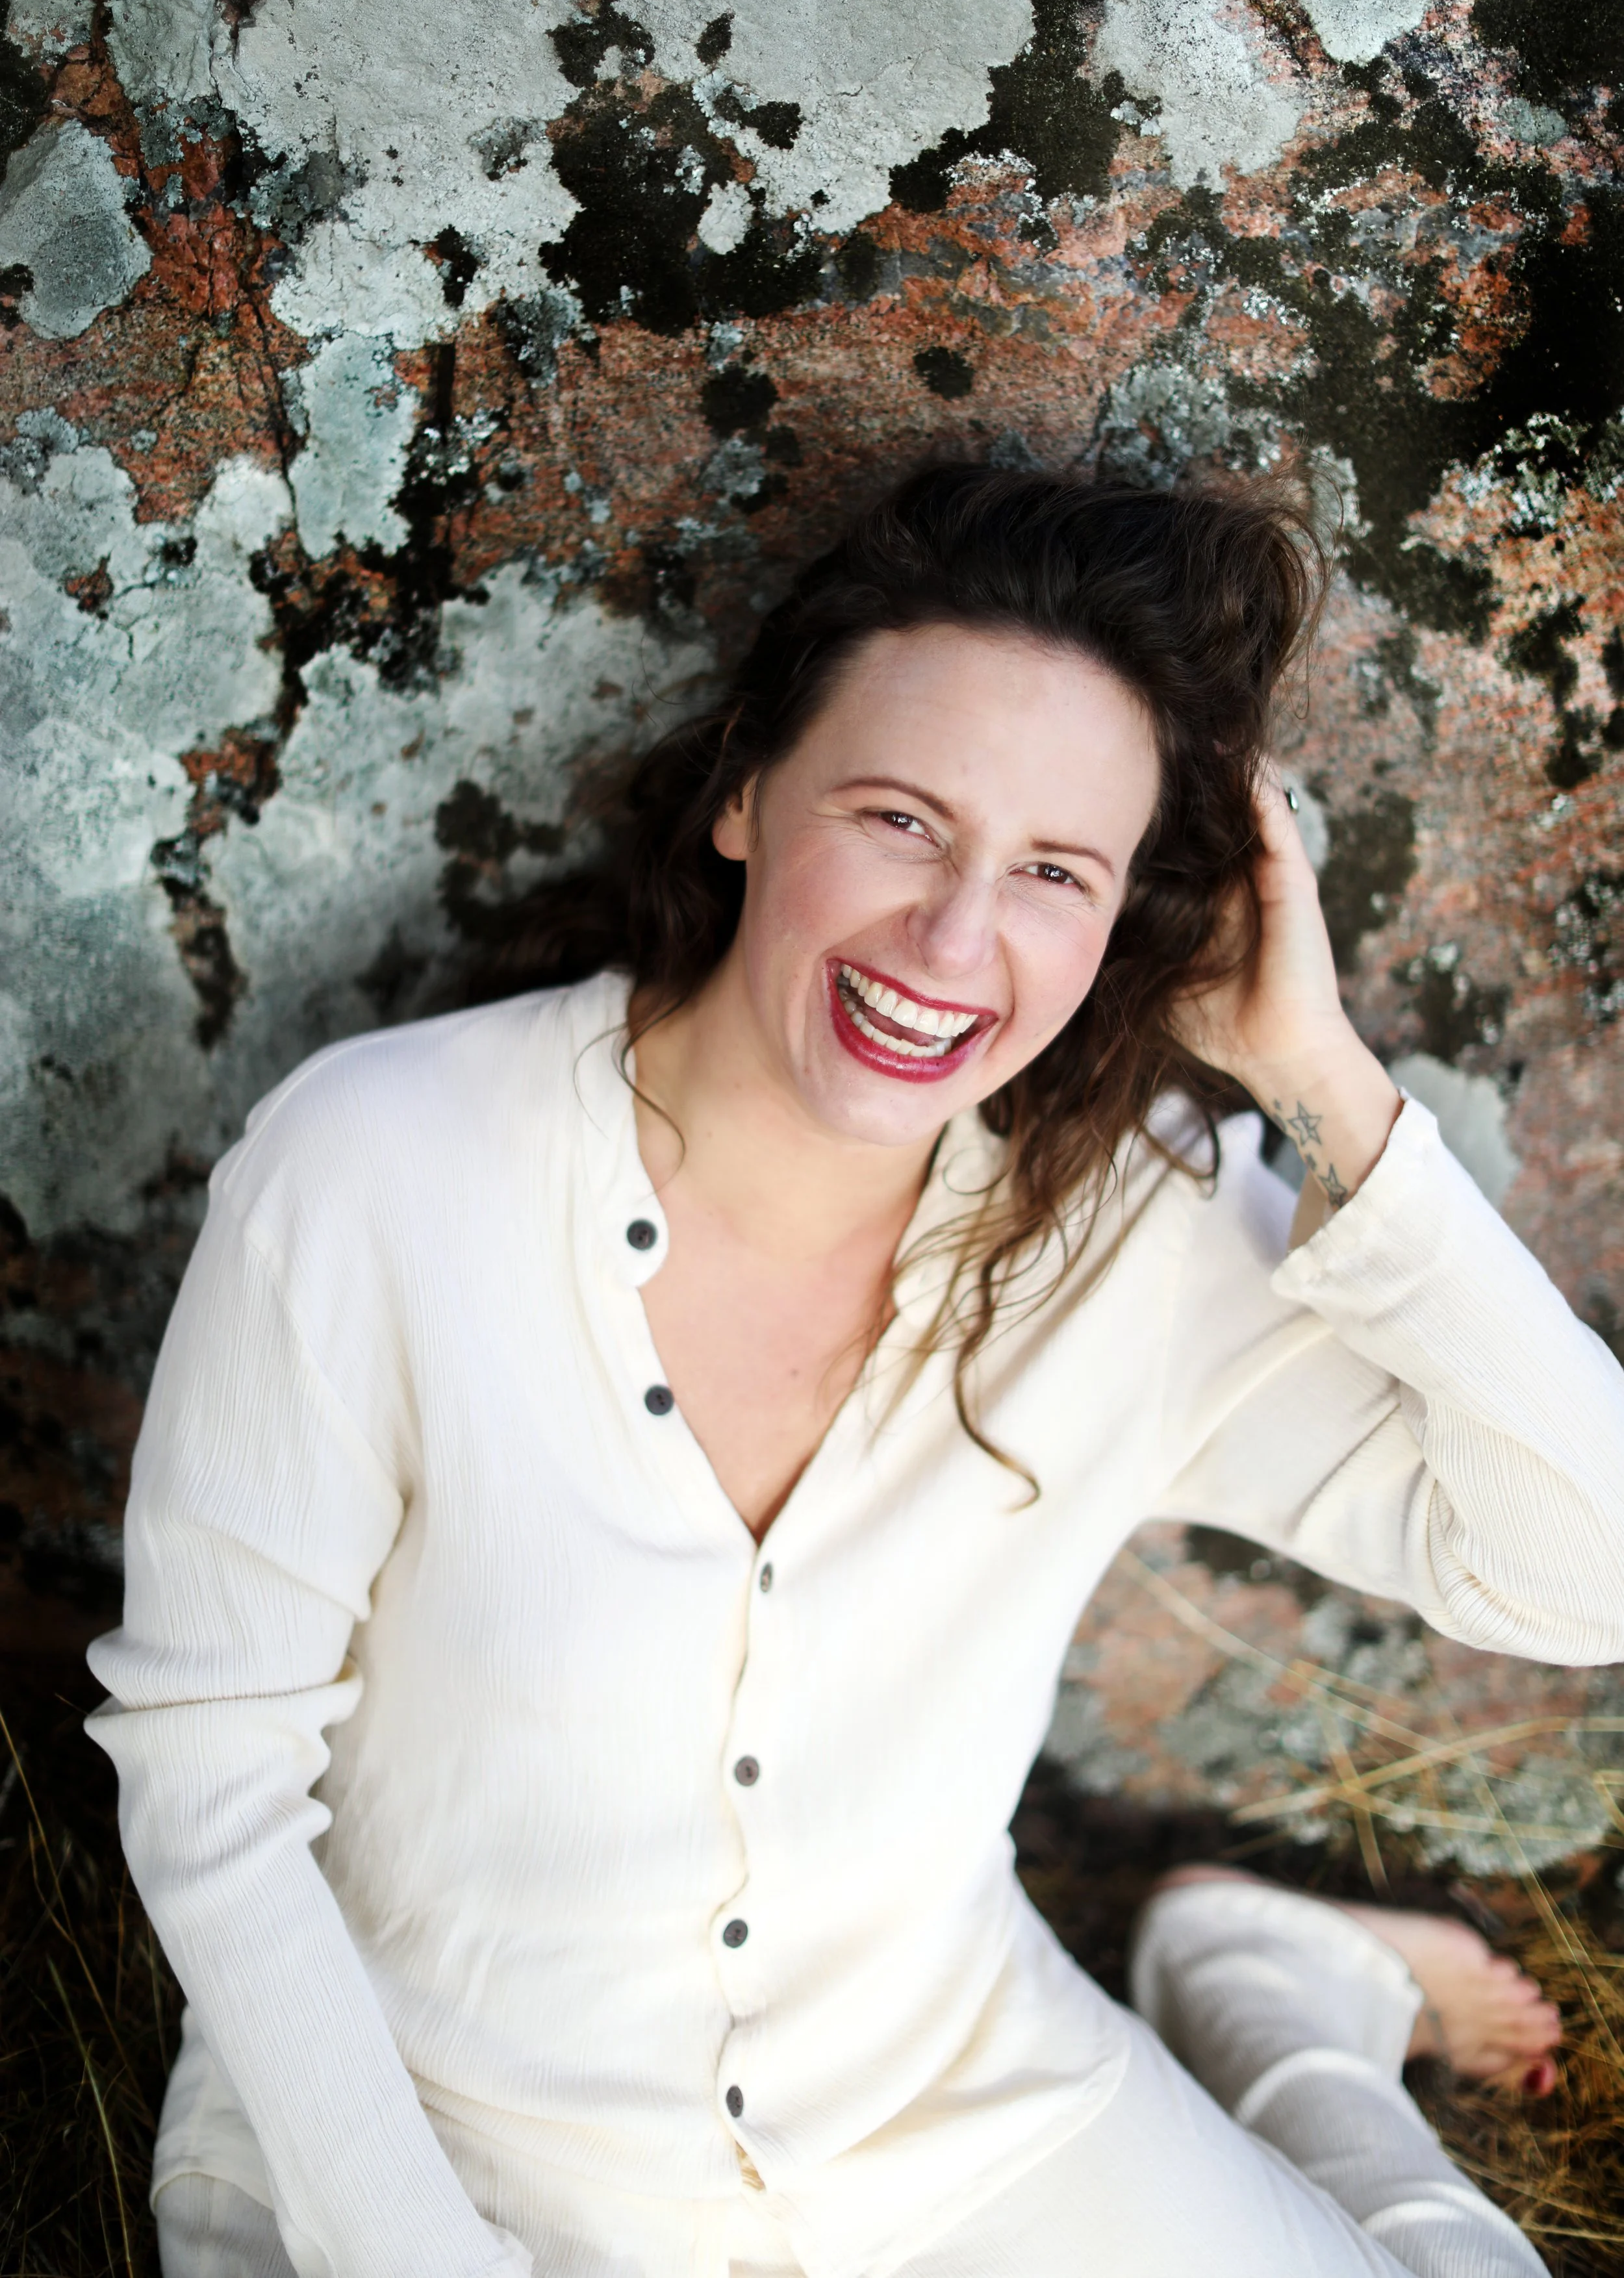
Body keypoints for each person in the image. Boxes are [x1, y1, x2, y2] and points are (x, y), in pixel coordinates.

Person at [85, 465, 1623, 2278]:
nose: (955, 939)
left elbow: (1576, 1565)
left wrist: (1324, 1083)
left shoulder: (1127, 1228)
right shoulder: (379, 1166)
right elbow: (211, 1767)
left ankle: (1282, 2011)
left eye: (1053, 870)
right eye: (900, 818)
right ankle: (1275, 1996)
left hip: (958, 2122)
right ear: (746, 789)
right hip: (445, 2153)